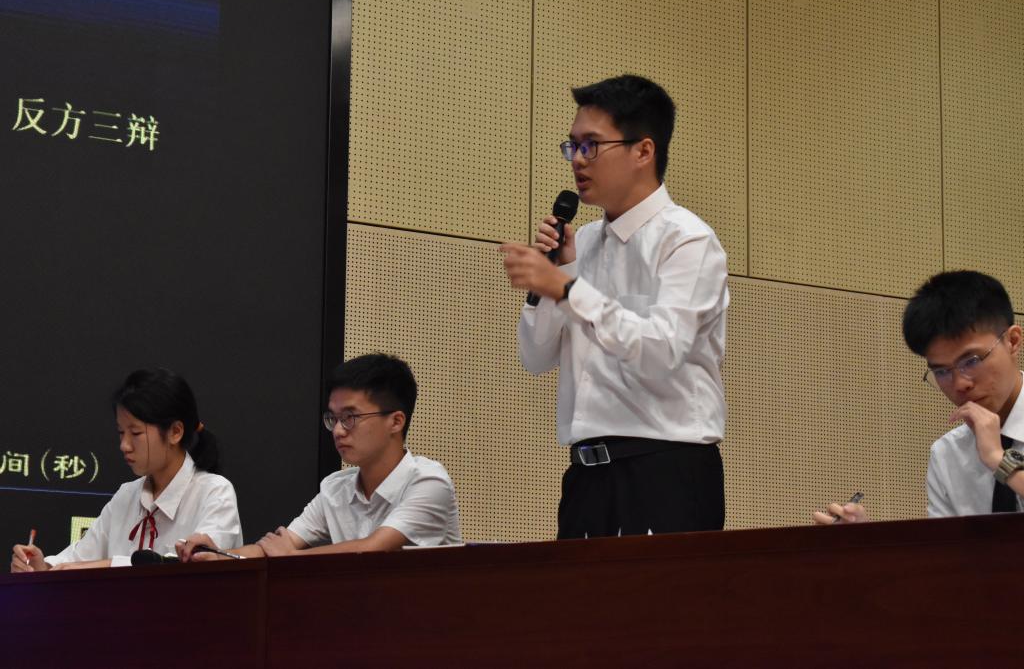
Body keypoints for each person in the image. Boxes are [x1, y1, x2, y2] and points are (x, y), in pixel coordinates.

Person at [500, 74, 729, 538]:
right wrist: (558, 274)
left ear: (643, 151)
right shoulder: (582, 242)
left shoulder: (687, 240)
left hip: (665, 470)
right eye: (572, 146)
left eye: (591, 145)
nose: (577, 160)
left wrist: (568, 289)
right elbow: (535, 357)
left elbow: (662, 350)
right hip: (586, 478)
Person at [177, 353, 460, 561]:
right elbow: (277, 546)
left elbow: (374, 549)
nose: (338, 430)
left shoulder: (428, 482)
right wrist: (217, 555)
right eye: (333, 418)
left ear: (396, 421)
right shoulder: (335, 488)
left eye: (350, 417)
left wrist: (291, 558)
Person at [814, 271, 1024, 524]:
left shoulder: (982, 451)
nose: (960, 384)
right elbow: (946, 549)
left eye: (972, 361)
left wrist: (998, 459)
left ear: (1013, 341)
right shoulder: (948, 453)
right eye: (942, 371)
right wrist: (866, 538)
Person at [10, 368, 242, 571]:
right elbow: (76, 558)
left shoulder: (214, 493)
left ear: (175, 432)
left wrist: (106, 565)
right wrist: (43, 567)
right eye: (121, 432)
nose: (124, 445)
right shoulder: (127, 495)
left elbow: (192, 566)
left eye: (136, 433)